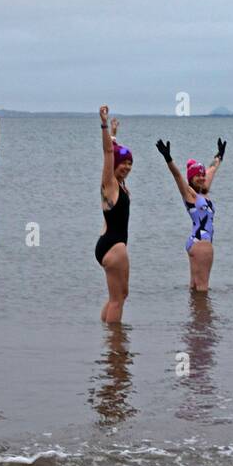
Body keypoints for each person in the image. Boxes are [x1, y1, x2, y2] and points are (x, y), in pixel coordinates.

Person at [157, 137, 225, 291]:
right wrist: (168, 159)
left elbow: (211, 170)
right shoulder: (190, 194)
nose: (202, 178)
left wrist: (219, 156)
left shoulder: (203, 192)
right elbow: (177, 177)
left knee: (194, 289)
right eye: (198, 176)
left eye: (202, 175)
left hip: (195, 242)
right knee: (203, 289)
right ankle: (204, 316)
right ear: (191, 179)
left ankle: (193, 315)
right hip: (202, 243)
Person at [95, 105, 132, 323]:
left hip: (111, 245)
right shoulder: (110, 184)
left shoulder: (120, 184)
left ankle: (107, 336)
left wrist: (114, 135)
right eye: (124, 163)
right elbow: (109, 152)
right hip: (113, 246)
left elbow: (113, 150)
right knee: (117, 299)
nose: (127, 166)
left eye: (130, 163)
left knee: (120, 296)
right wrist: (104, 124)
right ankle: (115, 350)